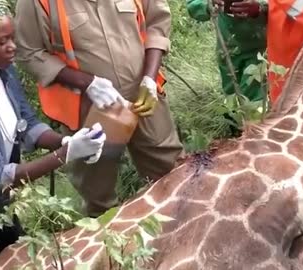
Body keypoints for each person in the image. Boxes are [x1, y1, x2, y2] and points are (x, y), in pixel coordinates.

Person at [14, 0, 184, 218]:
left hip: (143, 98)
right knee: (99, 199)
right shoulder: (38, 3)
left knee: (172, 173)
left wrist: (150, 79)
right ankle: (116, 248)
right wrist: (87, 83)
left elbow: (157, 22)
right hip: (88, 110)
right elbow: (29, 53)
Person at [0, 1, 106, 268]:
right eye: (2, 41)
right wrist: (66, 154)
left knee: (15, 248)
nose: (12, 47)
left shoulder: (5, 73)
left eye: (13, 38)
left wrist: (68, 140)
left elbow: (29, 126)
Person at [186, 0, 267, 102]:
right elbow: (193, 6)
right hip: (228, 48)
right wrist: (210, 4)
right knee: (232, 99)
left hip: (261, 48)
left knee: (255, 100)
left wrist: (261, 7)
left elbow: (287, 6)